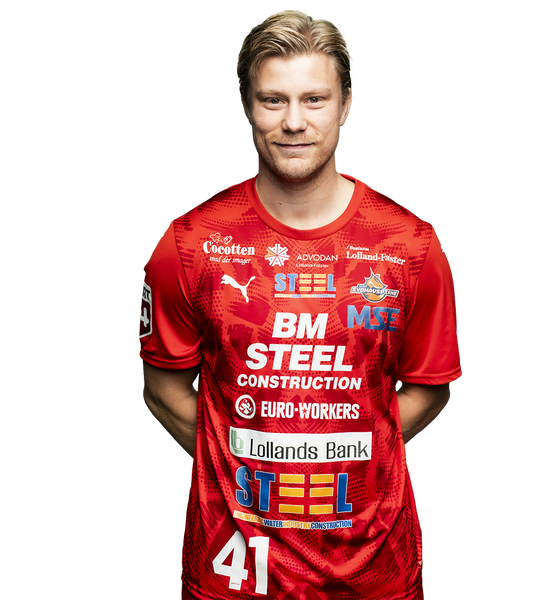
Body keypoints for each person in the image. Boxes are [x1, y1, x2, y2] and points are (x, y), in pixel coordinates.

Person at [136, 6, 464, 599]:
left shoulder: (412, 243)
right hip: (231, 576)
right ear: (247, 106)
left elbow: (430, 386)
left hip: (375, 573)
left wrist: (346, 463)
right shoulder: (187, 242)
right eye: (273, 100)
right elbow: (161, 389)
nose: (293, 122)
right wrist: (248, 466)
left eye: (314, 99)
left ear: (347, 106)